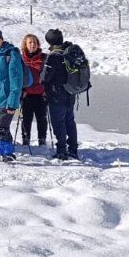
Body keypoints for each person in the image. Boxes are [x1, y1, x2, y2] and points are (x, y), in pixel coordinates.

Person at [0, 27, 30, 162]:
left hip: (6, 99)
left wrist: (13, 101)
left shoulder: (11, 54)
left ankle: (3, 152)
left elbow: (16, 80)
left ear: (1, 39)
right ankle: (3, 152)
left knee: (0, 127)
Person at [41, 28, 81, 160]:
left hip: (56, 95)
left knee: (58, 123)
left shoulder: (54, 56)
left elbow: (45, 77)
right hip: (70, 93)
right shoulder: (69, 51)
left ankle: (61, 151)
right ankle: (73, 150)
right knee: (70, 121)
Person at [20, 33, 49, 147]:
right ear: (25, 45)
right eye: (30, 42)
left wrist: (47, 90)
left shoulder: (44, 58)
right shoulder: (21, 59)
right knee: (26, 119)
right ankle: (25, 139)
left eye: (35, 42)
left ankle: (42, 140)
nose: (33, 44)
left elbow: (49, 75)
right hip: (27, 94)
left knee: (42, 118)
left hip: (41, 94)